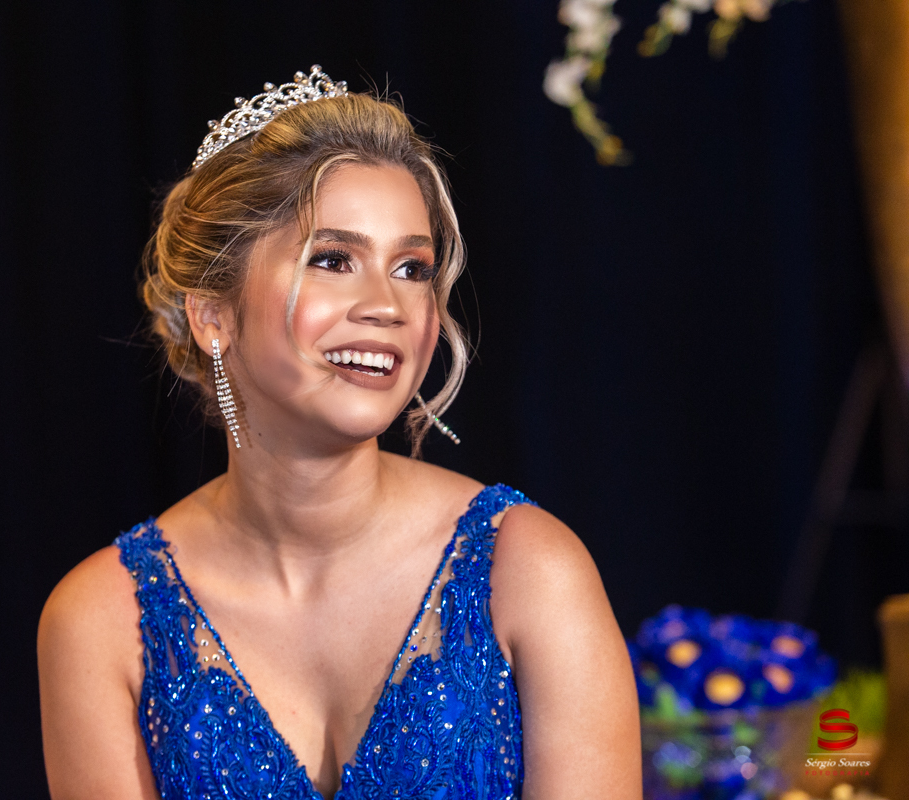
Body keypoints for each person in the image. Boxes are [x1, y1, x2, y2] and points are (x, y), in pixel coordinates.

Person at [37, 66, 641, 800]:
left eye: (412, 268)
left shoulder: (529, 571)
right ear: (213, 315)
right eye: (332, 260)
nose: (387, 304)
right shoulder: (104, 619)